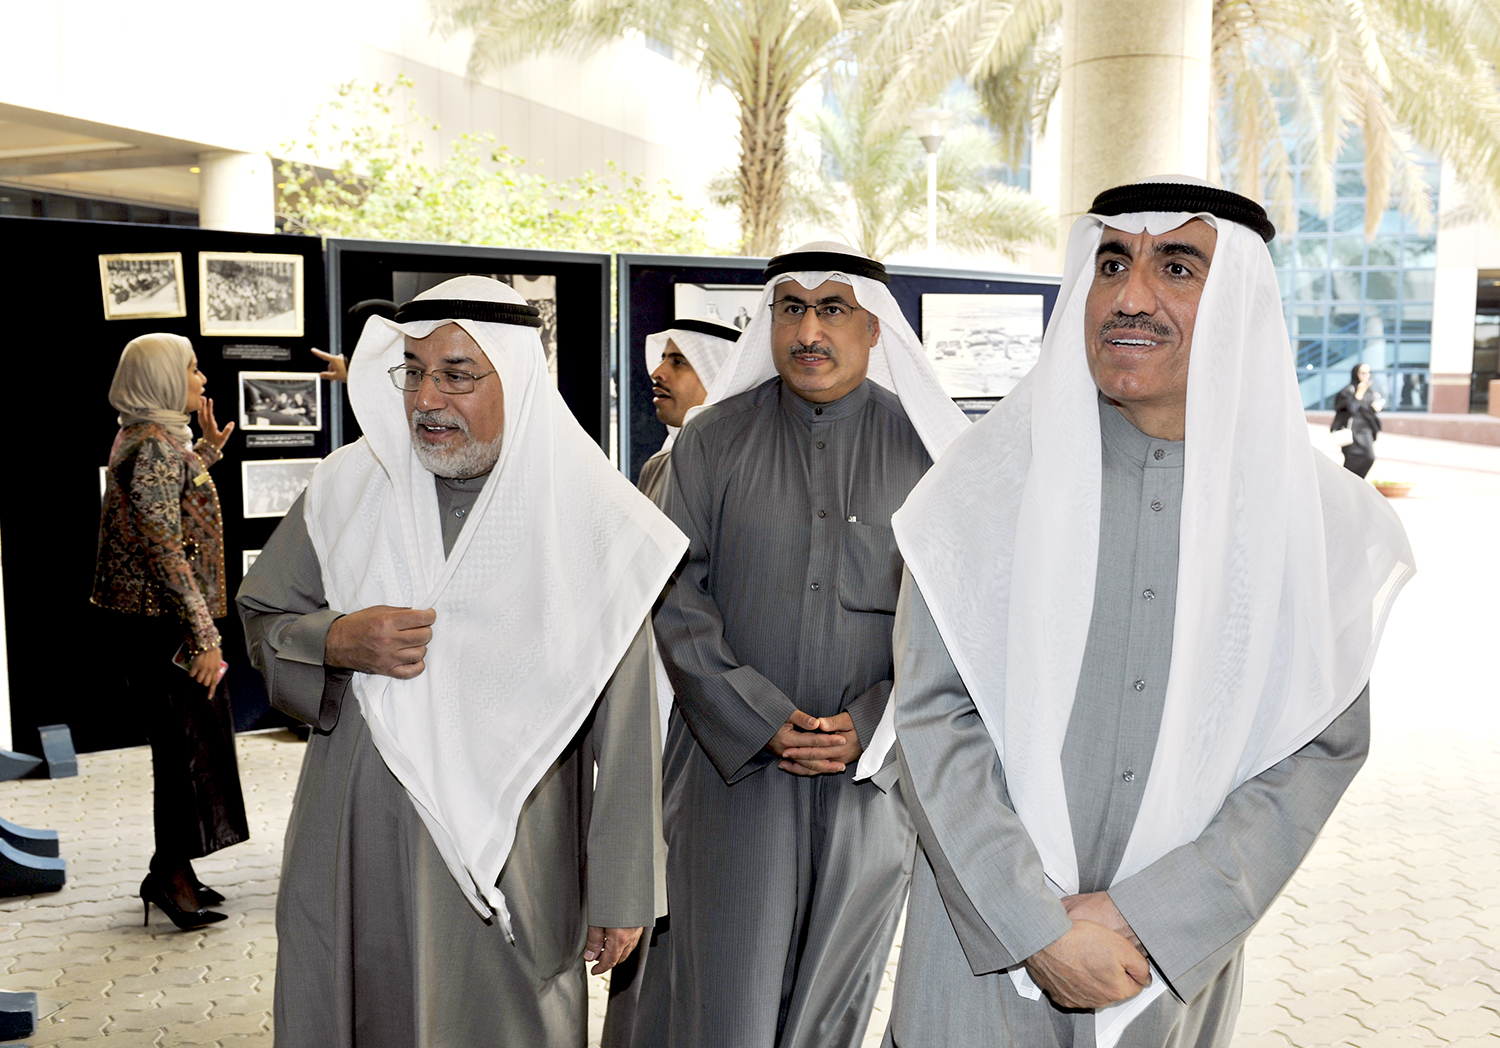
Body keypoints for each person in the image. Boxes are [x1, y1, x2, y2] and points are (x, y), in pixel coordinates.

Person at [855, 179, 1416, 1048]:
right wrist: (1033, 924)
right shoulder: (980, 491)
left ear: (1240, 303)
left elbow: (1313, 753)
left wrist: (1153, 917)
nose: (1130, 297)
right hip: (981, 962)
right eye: (1112, 263)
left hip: (1162, 972)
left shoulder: (1317, 524)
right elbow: (932, 715)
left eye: (1177, 268)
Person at [237, 276, 686, 1047]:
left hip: (519, 857)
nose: (426, 399)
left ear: (517, 380)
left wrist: (622, 890)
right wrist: (337, 640)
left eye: (456, 375)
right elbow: (264, 618)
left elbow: (629, 726)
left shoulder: (591, 519)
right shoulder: (349, 487)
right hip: (354, 840)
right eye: (413, 371)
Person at [613, 242, 970, 1048]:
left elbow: (958, 612)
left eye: (832, 310)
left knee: (833, 1007)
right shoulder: (711, 440)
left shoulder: (931, 452)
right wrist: (759, 717)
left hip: (871, 779)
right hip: (731, 775)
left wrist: (874, 720)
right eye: (792, 310)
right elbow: (674, 591)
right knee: (726, 1003)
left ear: (874, 328)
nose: (809, 331)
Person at [91, 333, 247, 930]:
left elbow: (163, 504)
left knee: (186, 749)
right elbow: (164, 548)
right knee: (183, 753)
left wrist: (205, 453)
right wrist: (205, 639)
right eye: (191, 369)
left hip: (159, 624)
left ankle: (173, 866)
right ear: (159, 379)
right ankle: (170, 877)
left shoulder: (151, 439)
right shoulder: (152, 446)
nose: (202, 379)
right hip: (162, 630)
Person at [636, 316, 741, 500]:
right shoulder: (656, 468)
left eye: (678, 362)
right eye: (662, 359)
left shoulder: (750, 470)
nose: (656, 373)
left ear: (717, 377)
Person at [1332, 362, 1383, 477]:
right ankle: (1345, 482)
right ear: (1356, 374)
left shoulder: (1370, 392)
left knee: (1369, 458)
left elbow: (1368, 411)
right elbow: (1350, 409)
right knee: (1352, 461)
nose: (1366, 376)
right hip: (1352, 432)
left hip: (1365, 431)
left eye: (1368, 373)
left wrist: (1375, 408)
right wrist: (1358, 394)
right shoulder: (1348, 391)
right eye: (1363, 373)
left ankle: (1357, 482)